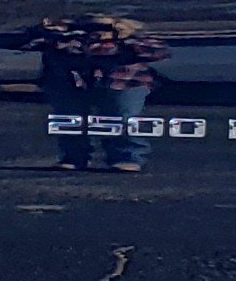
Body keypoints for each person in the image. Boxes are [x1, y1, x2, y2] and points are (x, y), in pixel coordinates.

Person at [35, 11, 165, 171]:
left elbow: (158, 51)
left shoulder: (131, 38)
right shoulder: (66, 37)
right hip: (72, 82)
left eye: (103, 27)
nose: (97, 32)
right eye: (90, 27)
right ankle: (73, 157)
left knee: (121, 116)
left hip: (125, 82)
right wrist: (47, 31)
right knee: (70, 117)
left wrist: (124, 38)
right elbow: (20, 42)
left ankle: (127, 157)